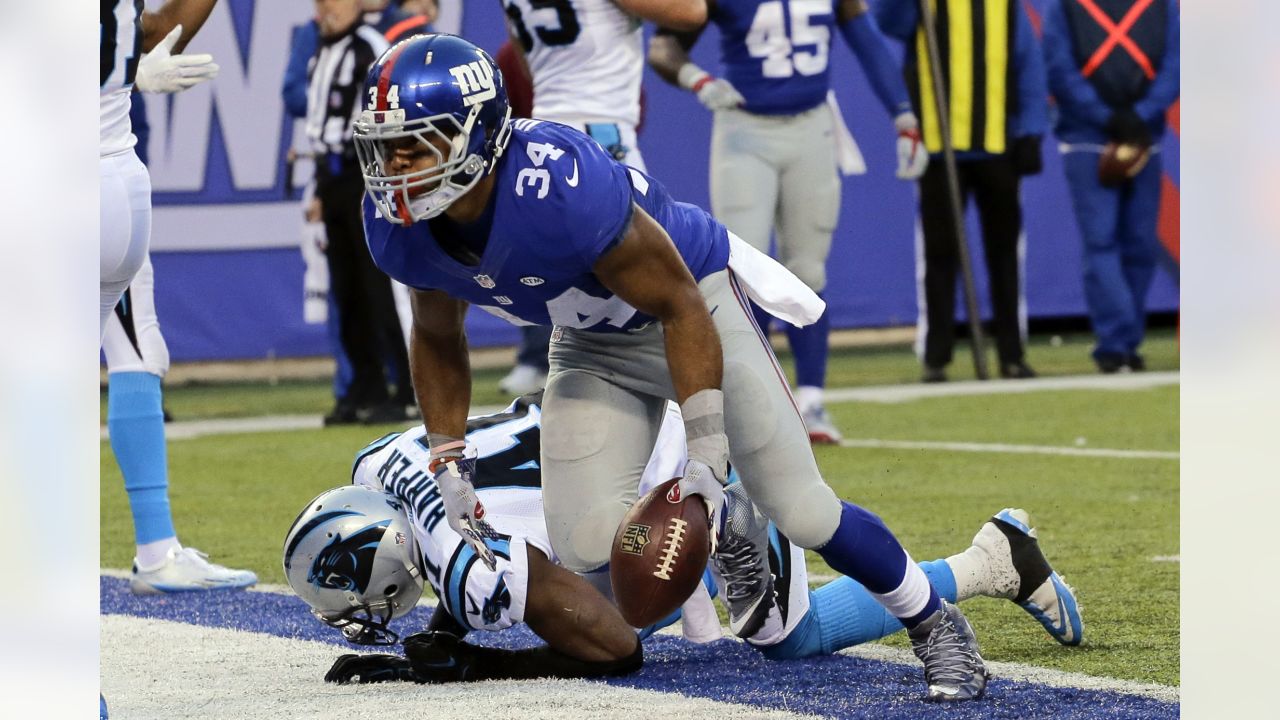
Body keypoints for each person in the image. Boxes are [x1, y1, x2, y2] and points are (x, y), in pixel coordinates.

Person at [354, 34, 987, 700]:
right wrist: (448, 454)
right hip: (591, 345)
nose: (395, 167)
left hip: (691, 309)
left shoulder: (555, 185)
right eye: (384, 146)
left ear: (479, 135)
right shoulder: (399, 224)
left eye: (415, 144)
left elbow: (682, 307)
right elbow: (435, 331)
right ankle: (721, 534)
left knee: (802, 510)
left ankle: (934, 623)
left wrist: (708, 453)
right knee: (586, 545)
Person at [282, 393, 1082, 684]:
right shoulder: (378, 460)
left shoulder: (463, 570)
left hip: (683, 476)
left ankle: (985, 564)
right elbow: (468, 524)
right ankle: (984, 563)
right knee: (584, 576)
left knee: (787, 641)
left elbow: (616, 648)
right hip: (632, 433)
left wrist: (476, 661)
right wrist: (455, 623)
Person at [648, 0, 928, 444]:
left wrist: (905, 117)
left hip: (812, 126)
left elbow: (868, 41)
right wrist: (696, 80)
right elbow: (663, 47)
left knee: (808, 269)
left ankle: (812, 401)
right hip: (744, 129)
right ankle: (741, 404)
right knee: (739, 270)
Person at [101, 1, 257, 593]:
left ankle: (158, 547)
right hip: (115, 185)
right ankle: (157, 547)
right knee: (136, 353)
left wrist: (121, 72)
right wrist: (124, 73)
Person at [492, 0, 707, 397]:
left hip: (543, 137)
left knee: (573, 294)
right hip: (599, 141)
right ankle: (681, 431)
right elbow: (690, 11)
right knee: (666, 294)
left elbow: (523, 60)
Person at [874, 0, 1049, 383]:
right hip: (939, 149)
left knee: (1004, 252)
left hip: (997, 143)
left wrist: (1032, 130)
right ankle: (936, 356)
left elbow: (1028, 63)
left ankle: (1011, 354)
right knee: (939, 254)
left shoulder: (1005, 6)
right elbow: (888, 22)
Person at [1041, 0, 1179, 374]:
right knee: (1102, 239)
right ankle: (1116, 341)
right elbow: (1058, 64)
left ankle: (1124, 342)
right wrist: (1112, 117)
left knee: (1139, 243)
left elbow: (1176, 61)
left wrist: (1140, 114)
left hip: (1141, 137)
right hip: (1089, 137)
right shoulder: (1065, 6)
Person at [306, 0, 417, 425]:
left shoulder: (369, 47)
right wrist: (318, 187)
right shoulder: (322, 48)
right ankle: (365, 384)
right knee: (346, 288)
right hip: (331, 177)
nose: (325, 9)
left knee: (380, 286)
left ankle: (406, 387)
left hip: (364, 175)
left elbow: (384, 122)